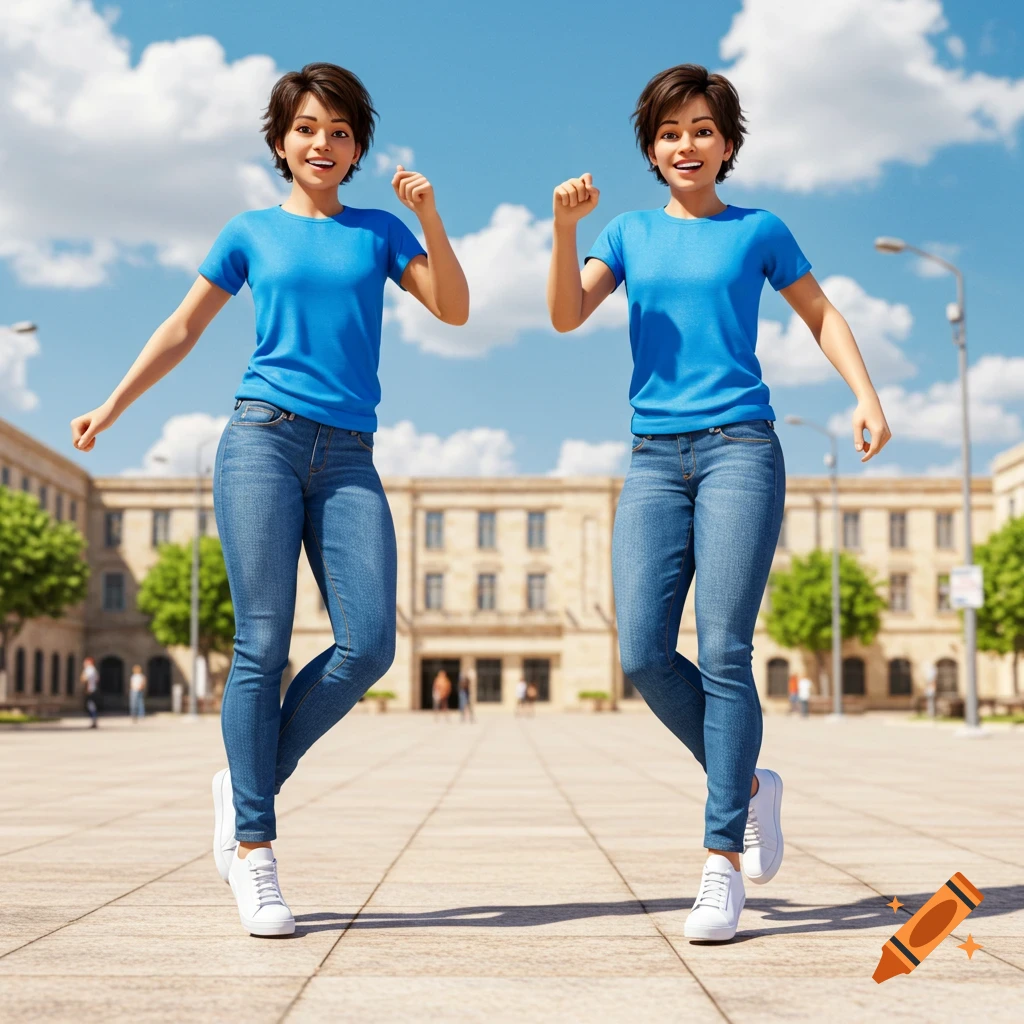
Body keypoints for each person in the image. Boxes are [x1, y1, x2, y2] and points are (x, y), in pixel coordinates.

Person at [69, 62, 469, 938]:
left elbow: (454, 309)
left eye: (338, 130)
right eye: (305, 128)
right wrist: (112, 404)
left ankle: (245, 779)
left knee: (368, 644)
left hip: (350, 454)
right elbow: (182, 327)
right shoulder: (249, 231)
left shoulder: (380, 232)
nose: (320, 143)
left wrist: (430, 217)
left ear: (356, 146)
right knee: (261, 643)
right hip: (260, 439)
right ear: (279, 140)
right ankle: (256, 849)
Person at [546, 63, 891, 942]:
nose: (685, 144)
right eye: (669, 133)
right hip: (655, 459)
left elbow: (821, 314)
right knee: (643, 651)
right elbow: (564, 317)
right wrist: (563, 230)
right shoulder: (623, 233)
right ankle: (744, 782)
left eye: (702, 129)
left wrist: (865, 394)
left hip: (741, 447)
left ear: (727, 145)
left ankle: (720, 866)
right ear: (651, 150)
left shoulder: (758, 232)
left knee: (727, 649)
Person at [81, 657, 99, 728]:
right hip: (93, 689)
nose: (84, 664)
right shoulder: (94, 670)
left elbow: (84, 679)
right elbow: (97, 679)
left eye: (85, 662)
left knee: (91, 706)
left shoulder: (89, 670)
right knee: (92, 706)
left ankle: (93, 721)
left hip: (90, 690)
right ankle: (93, 721)